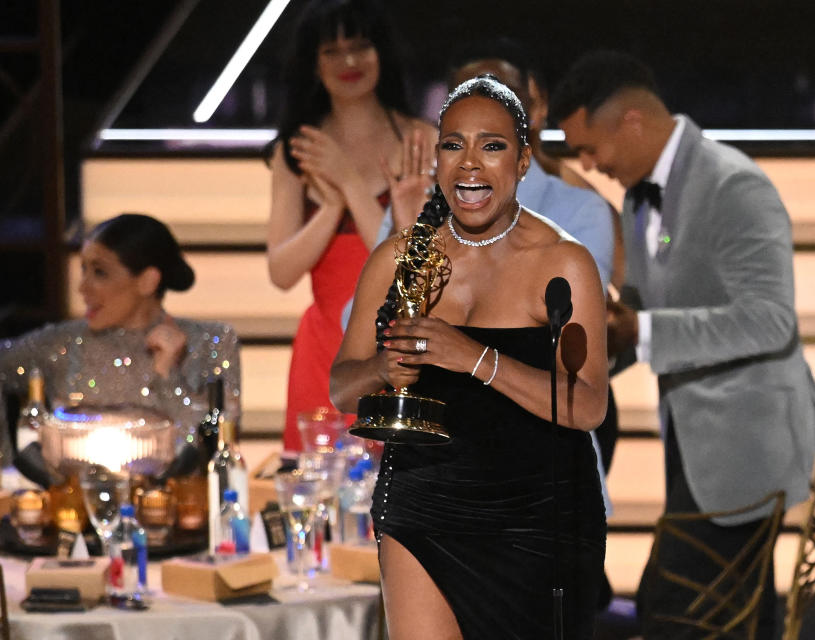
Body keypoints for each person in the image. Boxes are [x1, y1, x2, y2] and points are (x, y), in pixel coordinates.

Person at [551, 51, 815, 639]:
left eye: (590, 148)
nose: (589, 164)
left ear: (632, 121)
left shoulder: (733, 183)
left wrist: (638, 329)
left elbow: (769, 321)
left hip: (750, 446)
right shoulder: (641, 197)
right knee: (737, 618)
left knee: (676, 613)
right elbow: (640, 309)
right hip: (699, 445)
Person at [331, 75, 608, 639]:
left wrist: (473, 357)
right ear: (437, 159)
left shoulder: (563, 263)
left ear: (524, 160)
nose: (470, 163)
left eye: (492, 145)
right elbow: (341, 385)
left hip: (538, 521)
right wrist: (384, 369)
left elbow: (586, 405)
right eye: (454, 144)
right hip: (421, 505)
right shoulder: (400, 258)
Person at [267, 0, 436, 452]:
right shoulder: (298, 150)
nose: (348, 62)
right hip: (323, 347)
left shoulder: (423, 141)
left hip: (399, 345)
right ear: (313, 63)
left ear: (382, 53)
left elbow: (416, 263)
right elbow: (281, 272)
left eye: (361, 47)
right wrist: (329, 209)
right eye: (332, 52)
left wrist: (346, 181)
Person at [0, 214, 241, 462]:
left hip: (178, 499)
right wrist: (10, 468)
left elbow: (215, 451)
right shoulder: (62, 343)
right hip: (73, 496)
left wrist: (169, 377)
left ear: (147, 281)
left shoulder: (210, 341)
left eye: (100, 272)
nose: (83, 287)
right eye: (84, 269)